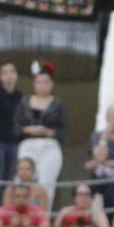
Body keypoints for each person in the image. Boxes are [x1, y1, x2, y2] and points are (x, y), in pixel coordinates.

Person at [16, 65, 66, 208]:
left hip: (49, 146)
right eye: (39, 82)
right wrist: (29, 129)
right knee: (23, 181)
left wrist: (48, 132)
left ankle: (42, 219)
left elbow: (62, 130)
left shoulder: (58, 104)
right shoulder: (24, 102)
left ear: (51, 84)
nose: (42, 86)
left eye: (46, 82)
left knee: (46, 185)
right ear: (34, 83)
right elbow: (16, 126)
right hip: (28, 144)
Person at [0, 62, 24, 202]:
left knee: (10, 181)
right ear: (0, 77)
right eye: (5, 73)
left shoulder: (20, 96)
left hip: (14, 142)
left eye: (12, 72)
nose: (9, 76)